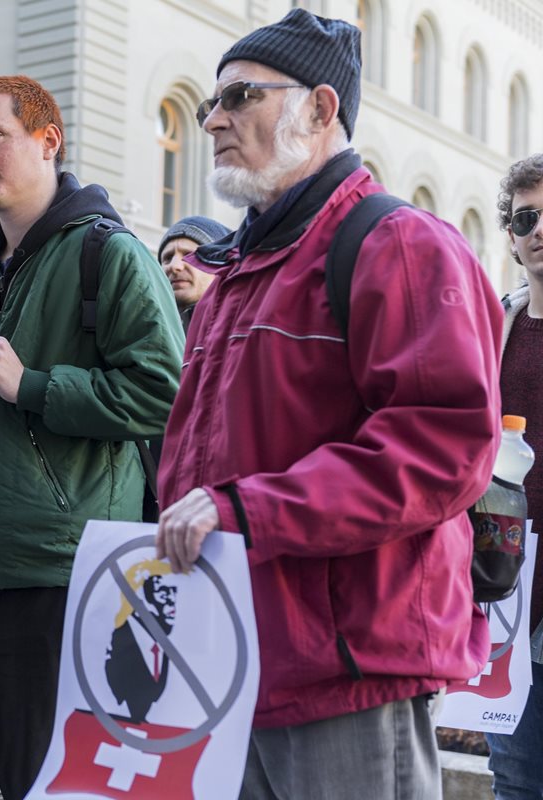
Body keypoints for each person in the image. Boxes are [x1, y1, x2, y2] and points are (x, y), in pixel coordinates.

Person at [155, 10, 501, 799]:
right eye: (213, 102)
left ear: (319, 107)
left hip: (347, 673)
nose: (213, 119)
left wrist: (243, 510)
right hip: (231, 658)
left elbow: (441, 450)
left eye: (240, 96)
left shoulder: (401, 244)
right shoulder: (240, 270)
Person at [0, 76, 184, 800]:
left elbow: (168, 395)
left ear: (48, 141)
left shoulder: (110, 255)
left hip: (55, 581)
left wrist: (35, 385)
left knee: (46, 788)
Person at [485, 153, 543, 800]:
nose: (539, 229)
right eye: (526, 216)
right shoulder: (491, 327)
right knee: (517, 781)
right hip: (509, 592)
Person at [105, 559, 178, 724]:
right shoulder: (114, 640)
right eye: (163, 593)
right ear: (140, 599)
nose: (172, 601)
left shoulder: (164, 642)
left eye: (174, 592)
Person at [156, 215, 232, 330]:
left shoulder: (241, 329)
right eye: (168, 257)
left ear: (219, 265)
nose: (175, 266)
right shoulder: (145, 330)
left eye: (189, 255)